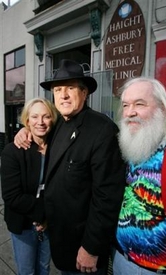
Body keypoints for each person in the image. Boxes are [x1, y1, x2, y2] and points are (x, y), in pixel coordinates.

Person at [14, 59, 126, 275]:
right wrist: (24, 130)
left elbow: (107, 197)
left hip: (83, 248)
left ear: (85, 93)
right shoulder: (58, 126)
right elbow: (39, 127)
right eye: (58, 90)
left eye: (70, 88)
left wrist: (92, 248)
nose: (63, 95)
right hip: (60, 239)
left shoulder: (101, 130)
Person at [113, 76, 166, 275]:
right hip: (119, 258)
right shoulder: (128, 141)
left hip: (159, 270)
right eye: (125, 105)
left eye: (140, 104)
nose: (130, 112)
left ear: (163, 108)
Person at [1, 98, 58, 275]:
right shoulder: (14, 151)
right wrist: (43, 214)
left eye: (46, 116)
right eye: (34, 117)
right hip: (24, 224)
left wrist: (48, 218)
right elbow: (11, 196)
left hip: (50, 224)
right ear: (27, 121)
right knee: (27, 271)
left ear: (53, 120)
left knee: (44, 267)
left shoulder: (59, 147)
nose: (40, 122)